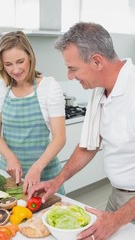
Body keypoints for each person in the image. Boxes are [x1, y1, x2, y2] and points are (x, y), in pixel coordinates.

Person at [28, 22, 135, 239]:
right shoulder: (99, 90)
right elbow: (88, 145)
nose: (69, 76)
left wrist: (117, 219)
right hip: (117, 198)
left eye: (72, 68)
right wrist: (56, 181)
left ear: (96, 61)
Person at [0, 31, 66, 195]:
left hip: (45, 175)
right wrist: (10, 157)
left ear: (30, 57)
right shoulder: (0, 87)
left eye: (20, 61)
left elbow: (60, 138)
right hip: (10, 176)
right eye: (8, 64)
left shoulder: (49, 87)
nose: (15, 69)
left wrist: (37, 167)